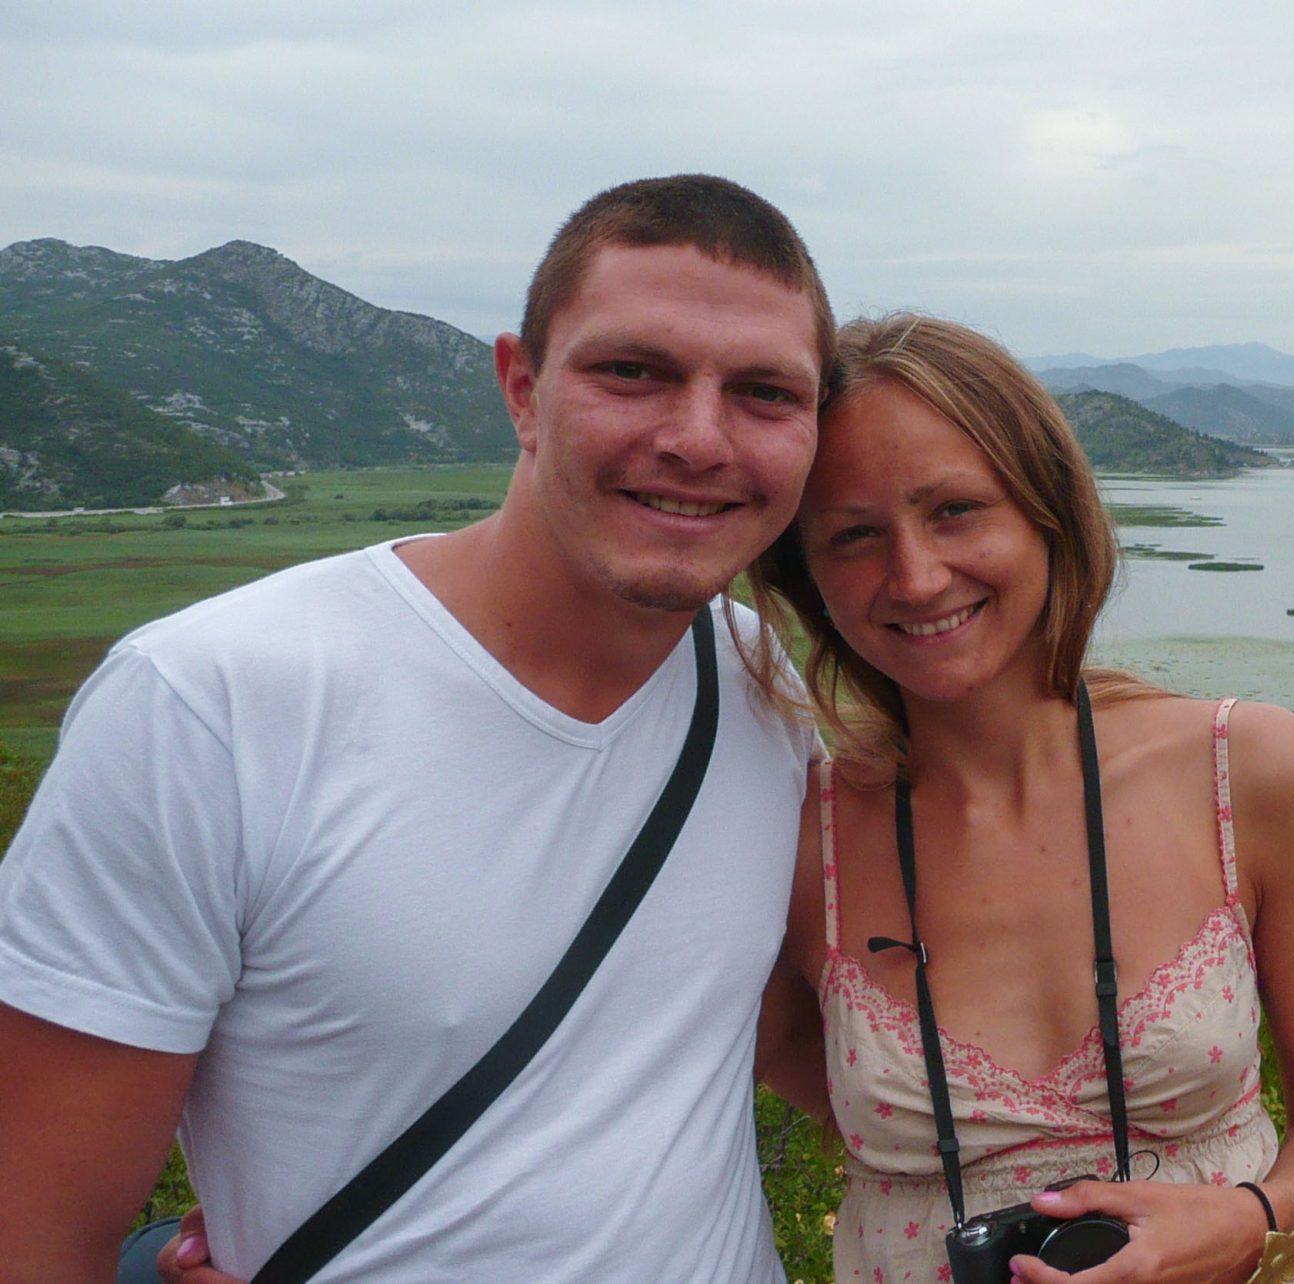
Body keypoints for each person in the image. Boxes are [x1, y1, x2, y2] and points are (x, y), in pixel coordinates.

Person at [0, 174, 841, 1282]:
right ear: (522, 388)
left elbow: (789, 1028)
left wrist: (1135, 1182)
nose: (697, 439)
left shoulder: (764, 684)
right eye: (632, 372)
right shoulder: (211, 703)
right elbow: (38, 1227)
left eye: (765, 394)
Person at [746, 314, 1294, 1284]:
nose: (916, 576)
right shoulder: (794, 843)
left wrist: (1246, 1224)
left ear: (1049, 514)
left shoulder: (1248, 772)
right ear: (808, 576)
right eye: (853, 535)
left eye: (956, 510)